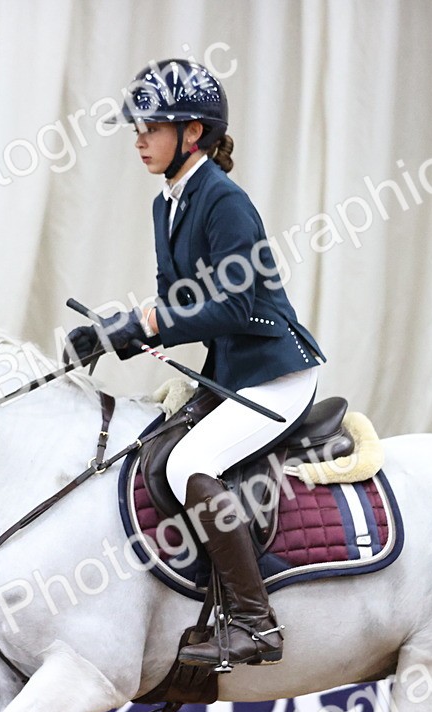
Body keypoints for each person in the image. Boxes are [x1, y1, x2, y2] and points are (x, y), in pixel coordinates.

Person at [65, 59, 324, 668]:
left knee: (191, 463)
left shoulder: (225, 201)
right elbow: (174, 302)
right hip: (234, 371)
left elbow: (232, 304)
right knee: (152, 450)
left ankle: (256, 624)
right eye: (138, 127)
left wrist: (142, 324)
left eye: (151, 126)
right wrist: (115, 335)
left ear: (193, 134)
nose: (138, 138)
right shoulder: (167, 205)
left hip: (276, 373)